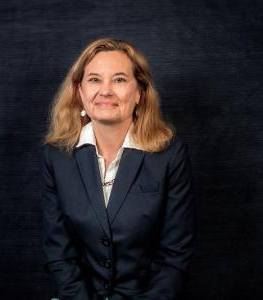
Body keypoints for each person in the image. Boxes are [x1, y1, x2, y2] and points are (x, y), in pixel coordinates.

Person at [41, 38, 196, 300]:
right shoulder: (57, 156)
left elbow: (174, 256)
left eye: (120, 80)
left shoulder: (171, 155)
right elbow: (60, 254)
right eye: (94, 79)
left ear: (139, 93)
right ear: (79, 91)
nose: (106, 91)